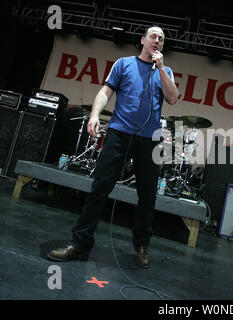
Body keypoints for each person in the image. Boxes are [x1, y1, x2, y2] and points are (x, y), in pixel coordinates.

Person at [47, 25, 179, 268]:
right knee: (99, 188)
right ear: (143, 40)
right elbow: (105, 92)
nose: (157, 41)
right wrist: (95, 114)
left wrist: (161, 68)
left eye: (161, 39)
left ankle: (142, 244)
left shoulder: (166, 70)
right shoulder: (123, 64)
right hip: (119, 133)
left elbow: (172, 98)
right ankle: (79, 243)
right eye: (153, 36)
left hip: (149, 140)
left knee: (147, 196)